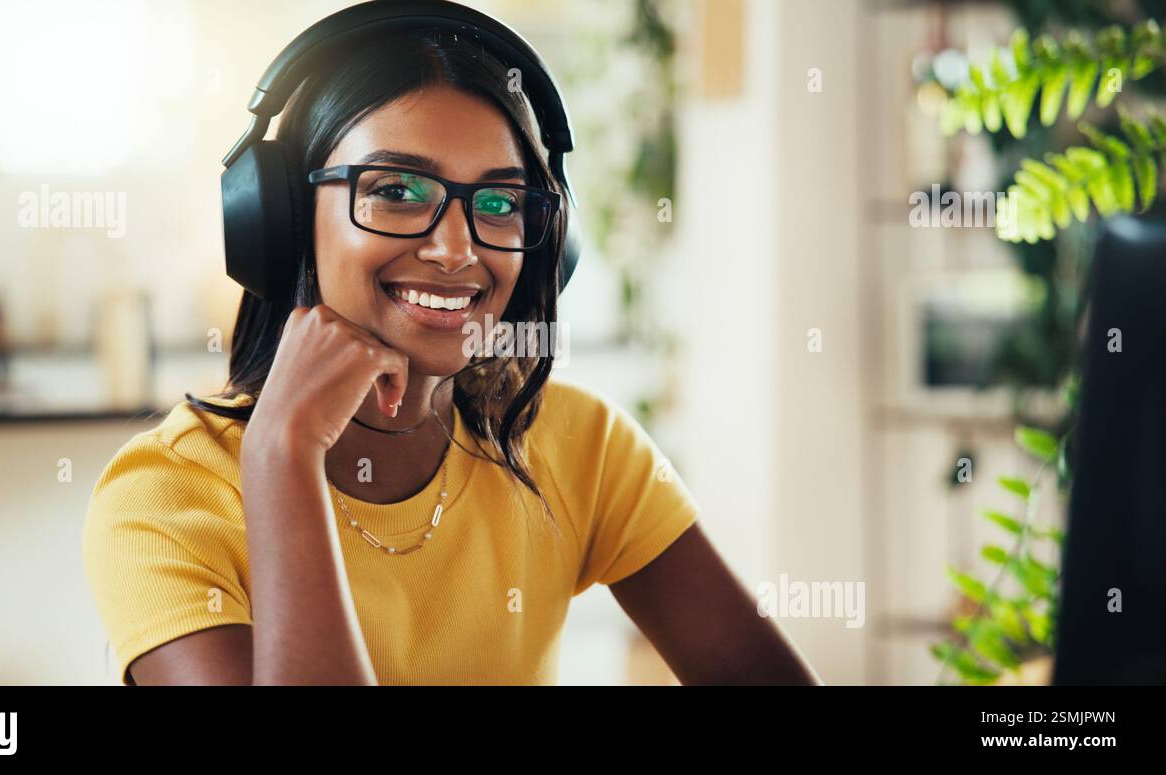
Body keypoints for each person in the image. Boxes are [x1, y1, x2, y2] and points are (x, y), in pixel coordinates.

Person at [82, 20, 818, 687]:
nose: (455, 249)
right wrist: (282, 455)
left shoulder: (580, 444)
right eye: (397, 189)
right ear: (280, 220)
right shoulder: (164, 497)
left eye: (499, 202)